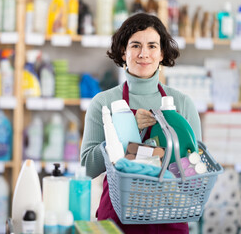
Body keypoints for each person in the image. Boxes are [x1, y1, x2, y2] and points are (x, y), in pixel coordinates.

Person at [80, 13, 202, 234]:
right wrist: (124, 132)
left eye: (152, 46)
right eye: (135, 45)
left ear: (162, 52)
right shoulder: (104, 103)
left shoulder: (183, 103)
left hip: (169, 218)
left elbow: (196, 170)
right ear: (123, 52)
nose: (144, 53)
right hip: (117, 220)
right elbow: (88, 166)